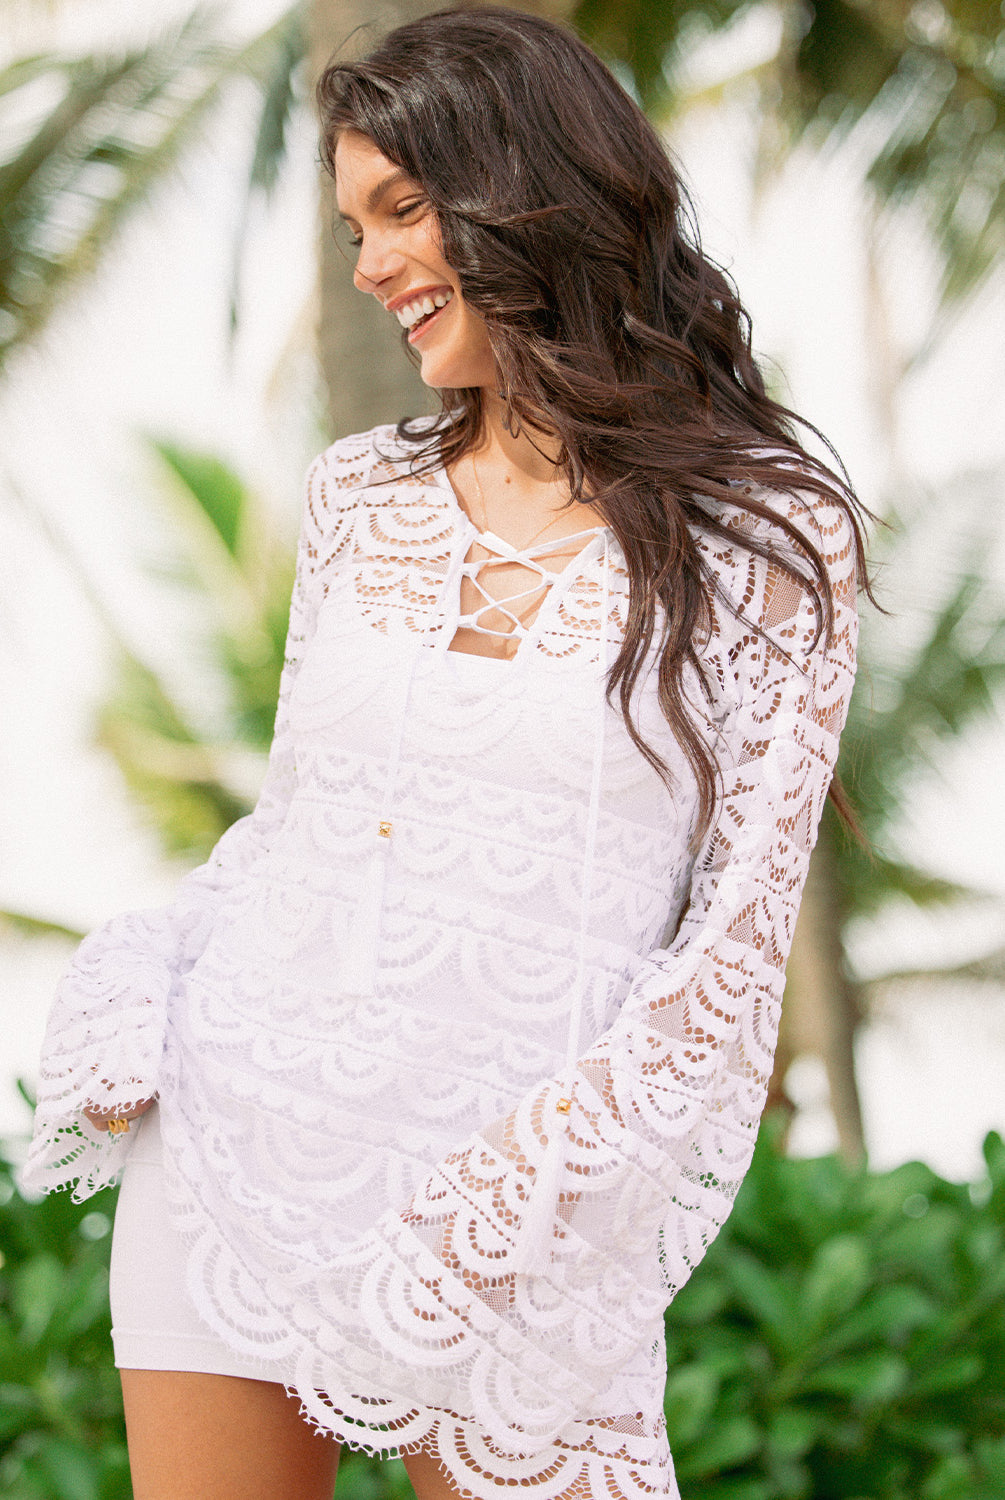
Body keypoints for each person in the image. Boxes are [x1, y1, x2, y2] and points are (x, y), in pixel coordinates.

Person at [22, 8, 868, 1499]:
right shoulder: (361, 493)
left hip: (522, 1217)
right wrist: (144, 975)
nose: (370, 267)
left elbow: (731, 954)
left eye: (401, 210)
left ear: (534, 191)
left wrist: (503, 1198)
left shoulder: (767, 531)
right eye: (354, 225)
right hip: (238, 1143)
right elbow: (297, 830)